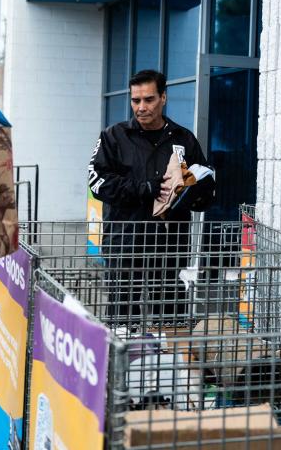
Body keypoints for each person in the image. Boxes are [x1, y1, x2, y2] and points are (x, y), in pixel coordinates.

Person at [87, 69, 215, 326]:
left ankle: (167, 362)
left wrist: (190, 195)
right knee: (123, 323)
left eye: (149, 99)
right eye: (136, 100)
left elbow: (204, 185)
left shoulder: (184, 138)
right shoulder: (113, 136)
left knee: (170, 320)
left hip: (169, 245)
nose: (141, 107)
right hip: (125, 243)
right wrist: (145, 188)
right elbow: (96, 183)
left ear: (164, 98)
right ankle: (125, 362)